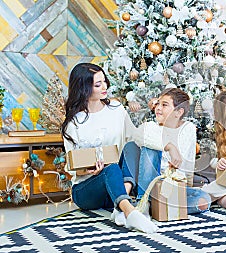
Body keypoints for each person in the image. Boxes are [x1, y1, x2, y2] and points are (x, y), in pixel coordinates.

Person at [61, 63, 161, 233]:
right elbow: (71, 168)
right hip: (86, 191)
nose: (105, 87)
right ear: (84, 88)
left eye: (104, 81)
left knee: (130, 148)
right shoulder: (74, 123)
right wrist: (88, 170)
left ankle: (120, 207)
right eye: (97, 84)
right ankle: (130, 213)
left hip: (117, 185)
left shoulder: (116, 110)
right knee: (111, 169)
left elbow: (133, 139)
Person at [121, 88, 211, 217]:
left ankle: (155, 207)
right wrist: (169, 147)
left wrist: (187, 185)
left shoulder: (188, 128)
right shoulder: (152, 126)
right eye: (157, 104)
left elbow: (188, 162)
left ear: (178, 112)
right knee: (149, 146)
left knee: (203, 199)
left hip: (171, 184)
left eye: (164, 105)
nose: (158, 108)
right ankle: (144, 202)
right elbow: (137, 136)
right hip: (150, 184)